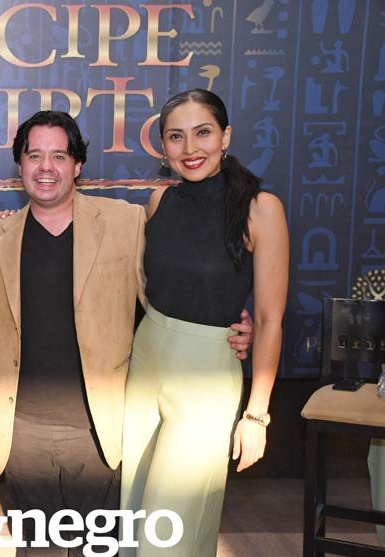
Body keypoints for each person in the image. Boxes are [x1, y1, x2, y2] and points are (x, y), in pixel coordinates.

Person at [0, 110, 254, 556]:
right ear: (19, 165)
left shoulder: (127, 222)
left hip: (103, 430)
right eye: (34, 155)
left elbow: (170, 289)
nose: (46, 167)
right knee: (36, 550)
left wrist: (227, 321)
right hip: (22, 434)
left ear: (78, 165)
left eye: (59, 156)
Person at [120, 89, 289, 557]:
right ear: (163, 145)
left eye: (203, 133)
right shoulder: (159, 201)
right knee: (133, 514)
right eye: (176, 137)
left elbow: (270, 319)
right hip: (146, 360)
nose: (190, 148)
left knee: (170, 528)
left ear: (225, 136)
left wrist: (256, 415)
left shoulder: (261, 209)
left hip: (207, 374)